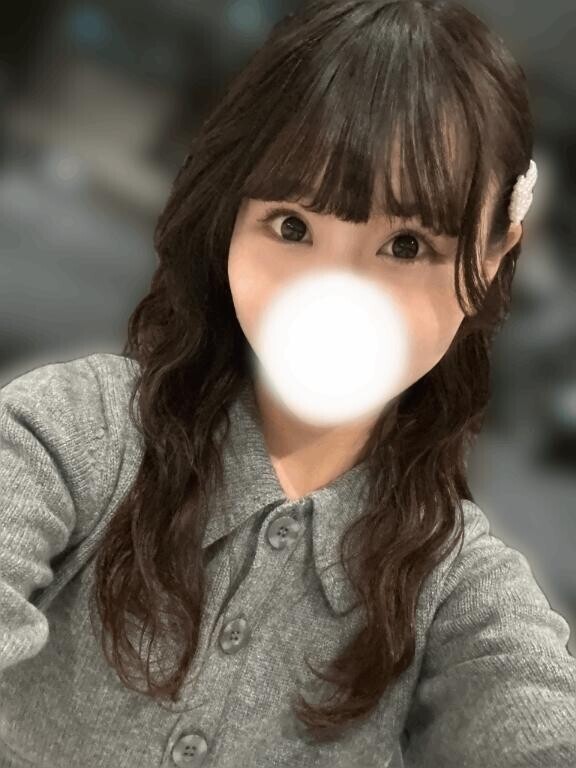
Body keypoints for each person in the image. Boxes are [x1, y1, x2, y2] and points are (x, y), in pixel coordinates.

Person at [0, 1, 574, 766]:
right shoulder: (75, 432)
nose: (333, 294)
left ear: (494, 255)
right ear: (232, 218)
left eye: (408, 244)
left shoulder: (457, 583)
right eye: (293, 226)